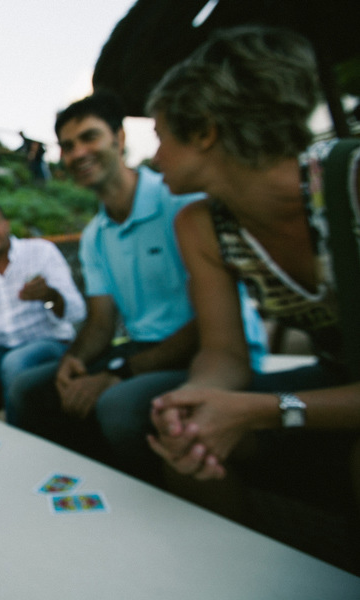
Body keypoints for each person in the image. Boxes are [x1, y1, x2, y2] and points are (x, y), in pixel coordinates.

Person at [144, 26, 360, 518]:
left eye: (160, 138)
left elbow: (259, 403)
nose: (154, 158)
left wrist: (264, 409)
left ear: (203, 130)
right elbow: (223, 352)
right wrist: (193, 396)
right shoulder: (201, 225)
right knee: (186, 433)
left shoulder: (352, 183)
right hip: (336, 380)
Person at [9, 91, 266, 479]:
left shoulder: (180, 202)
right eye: (67, 146)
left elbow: (209, 329)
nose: (77, 153)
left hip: (211, 351)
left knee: (117, 404)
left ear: (120, 138)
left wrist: (119, 371)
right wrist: (74, 361)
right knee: (31, 389)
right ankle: (77, 489)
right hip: (143, 350)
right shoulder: (96, 234)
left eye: (89, 138)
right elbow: (100, 320)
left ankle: (152, 499)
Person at [0, 200, 85, 413]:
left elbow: (76, 311)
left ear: (6, 224)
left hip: (50, 342)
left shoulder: (41, 252)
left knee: (14, 363)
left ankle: (17, 437)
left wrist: (49, 295)